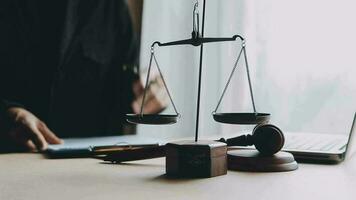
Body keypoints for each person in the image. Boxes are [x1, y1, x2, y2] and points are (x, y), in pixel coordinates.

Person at [0, 0, 148, 152]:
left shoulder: (112, 7)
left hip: (87, 167)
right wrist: (6, 113)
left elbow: (124, 98)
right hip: (10, 159)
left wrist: (146, 96)